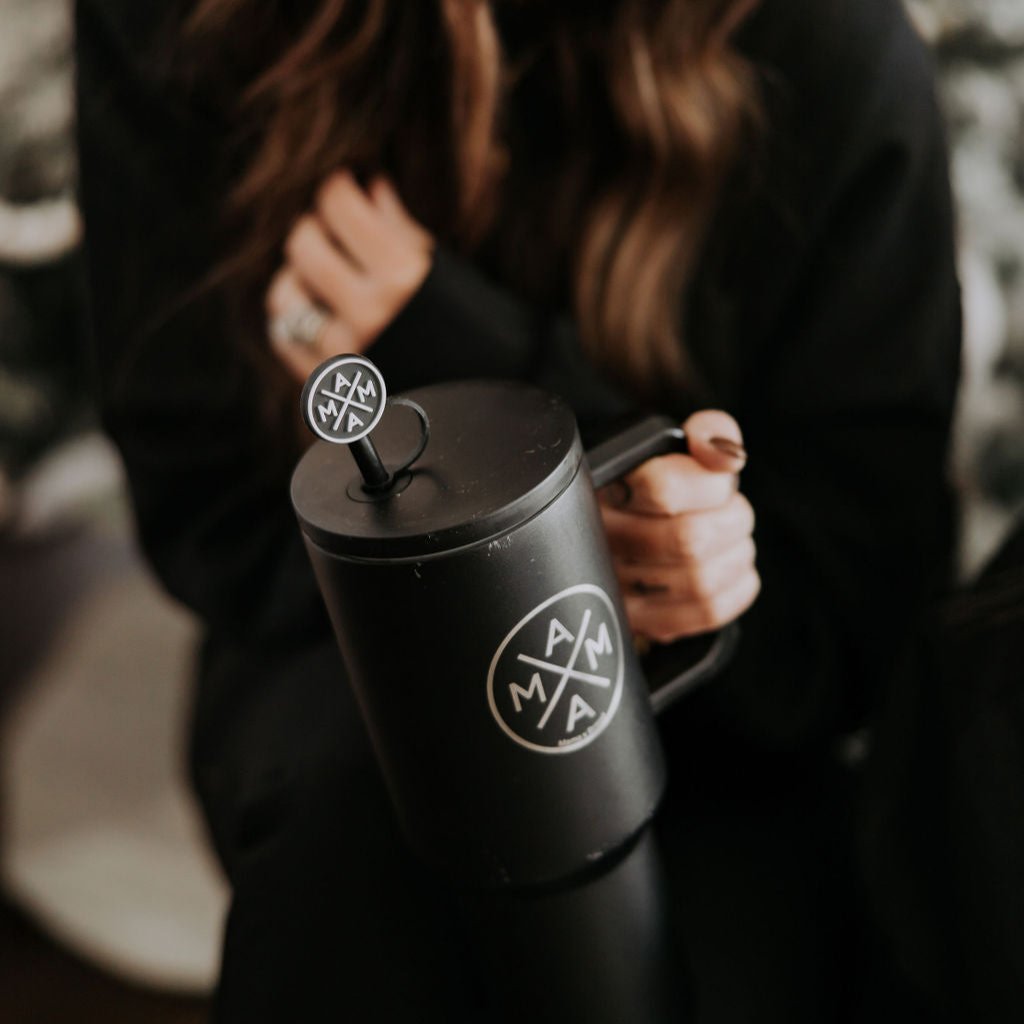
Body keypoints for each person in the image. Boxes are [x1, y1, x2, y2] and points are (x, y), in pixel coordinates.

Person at [75, 0, 961, 1020]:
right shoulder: (185, 22)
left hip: (719, 719)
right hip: (336, 659)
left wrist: (460, 368)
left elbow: (855, 624)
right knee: (361, 887)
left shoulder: (825, 45)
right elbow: (207, 513)